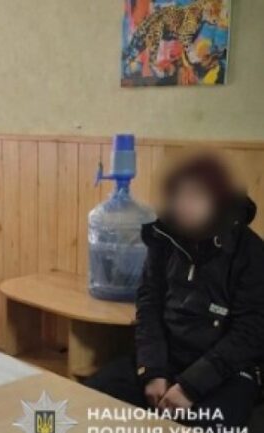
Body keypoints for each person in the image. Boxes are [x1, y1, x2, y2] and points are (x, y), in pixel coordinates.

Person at [85, 154, 264, 428]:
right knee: (90, 400)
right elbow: (149, 305)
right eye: (178, 195)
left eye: (196, 196)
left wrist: (190, 386)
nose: (184, 205)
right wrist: (152, 371)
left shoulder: (250, 252)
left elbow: (249, 333)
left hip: (227, 371)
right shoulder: (164, 238)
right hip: (166, 358)